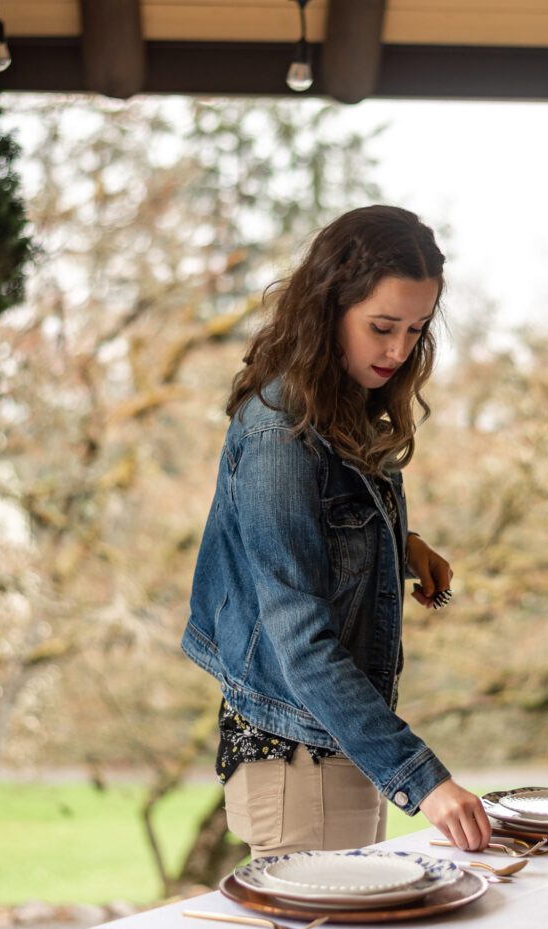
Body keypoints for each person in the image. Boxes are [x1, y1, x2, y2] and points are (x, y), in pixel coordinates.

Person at [181, 205, 492, 857]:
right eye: (382, 327)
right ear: (328, 308)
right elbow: (301, 640)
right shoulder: (280, 436)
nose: (399, 350)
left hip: (331, 747)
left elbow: (317, 535)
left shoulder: (338, 406)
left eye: (415, 328)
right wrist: (424, 782)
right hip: (300, 759)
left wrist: (400, 546)